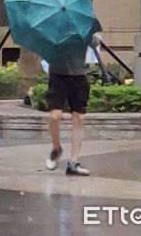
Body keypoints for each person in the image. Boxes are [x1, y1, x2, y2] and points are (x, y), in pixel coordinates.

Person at [45, 33, 101, 176]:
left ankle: (74, 162)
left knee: (79, 118)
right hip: (57, 76)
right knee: (55, 116)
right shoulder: (53, 31)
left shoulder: (82, 30)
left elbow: (95, 42)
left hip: (78, 76)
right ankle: (56, 148)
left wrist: (91, 36)